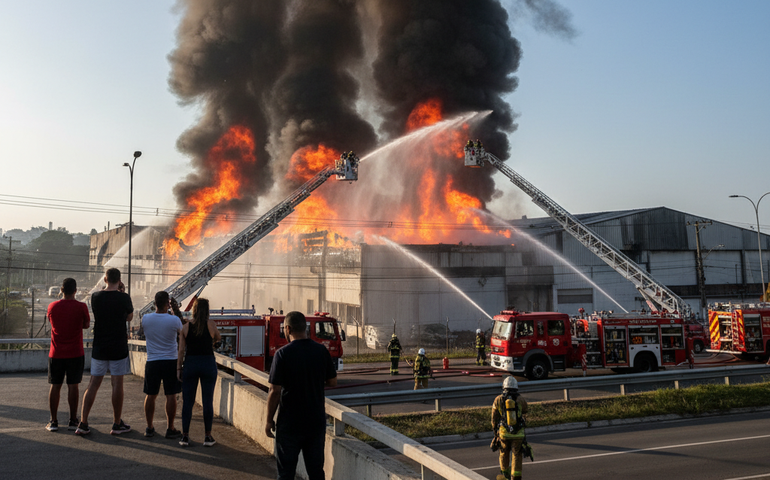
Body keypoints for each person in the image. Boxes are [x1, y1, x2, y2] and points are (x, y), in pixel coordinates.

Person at [265, 311, 337, 480]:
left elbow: (274, 391)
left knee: (286, 473)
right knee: (316, 472)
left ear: (288, 329)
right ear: (305, 328)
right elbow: (332, 382)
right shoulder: (321, 351)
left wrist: (269, 420)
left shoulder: (282, 354)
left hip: (290, 424)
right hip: (315, 422)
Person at [76, 268, 133, 436]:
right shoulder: (124, 297)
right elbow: (129, 317)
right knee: (117, 384)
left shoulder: (96, 297)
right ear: (120, 280)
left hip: (100, 346)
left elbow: (100, 307)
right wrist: (122, 293)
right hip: (118, 346)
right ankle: (116, 423)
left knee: (93, 384)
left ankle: (83, 422)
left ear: (105, 279)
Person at [46, 278, 90, 432]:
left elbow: (52, 322)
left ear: (61, 290)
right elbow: (86, 324)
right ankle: (72, 420)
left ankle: (53, 421)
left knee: (55, 386)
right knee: (73, 386)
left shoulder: (52, 306)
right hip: (75, 353)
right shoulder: (81, 307)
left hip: (56, 353)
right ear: (75, 291)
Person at [177, 297, 221, 447]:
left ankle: (185, 437)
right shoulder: (211, 325)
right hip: (208, 364)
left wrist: (179, 368)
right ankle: (208, 437)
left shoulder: (186, 327)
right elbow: (218, 339)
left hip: (191, 364)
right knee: (207, 402)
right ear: (207, 310)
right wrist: (214, 342)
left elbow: (181, 350)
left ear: (194, 310)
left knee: (187, 402)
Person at [141, 291, 183, 439]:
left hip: (152, 361)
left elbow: (143, 332)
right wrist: (175, 311)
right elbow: (184, 332)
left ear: (154, 303)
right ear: (168, 304)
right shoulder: (174, 320)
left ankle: (149, 427)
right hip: (171, 361)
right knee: (171, 395)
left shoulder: (145, 319)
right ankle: (170, 428)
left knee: (150, 395)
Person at [491, 377, 529, 480]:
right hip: (518, 434)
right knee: (517, 454)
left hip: (503, 433)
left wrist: (496, 433)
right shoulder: (520, 399)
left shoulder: (498, 399)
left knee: (504, 452)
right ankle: (516, 477)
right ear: (516, 387)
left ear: (504, 387)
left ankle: (505, 475)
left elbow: (494, 419)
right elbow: (526, 410)